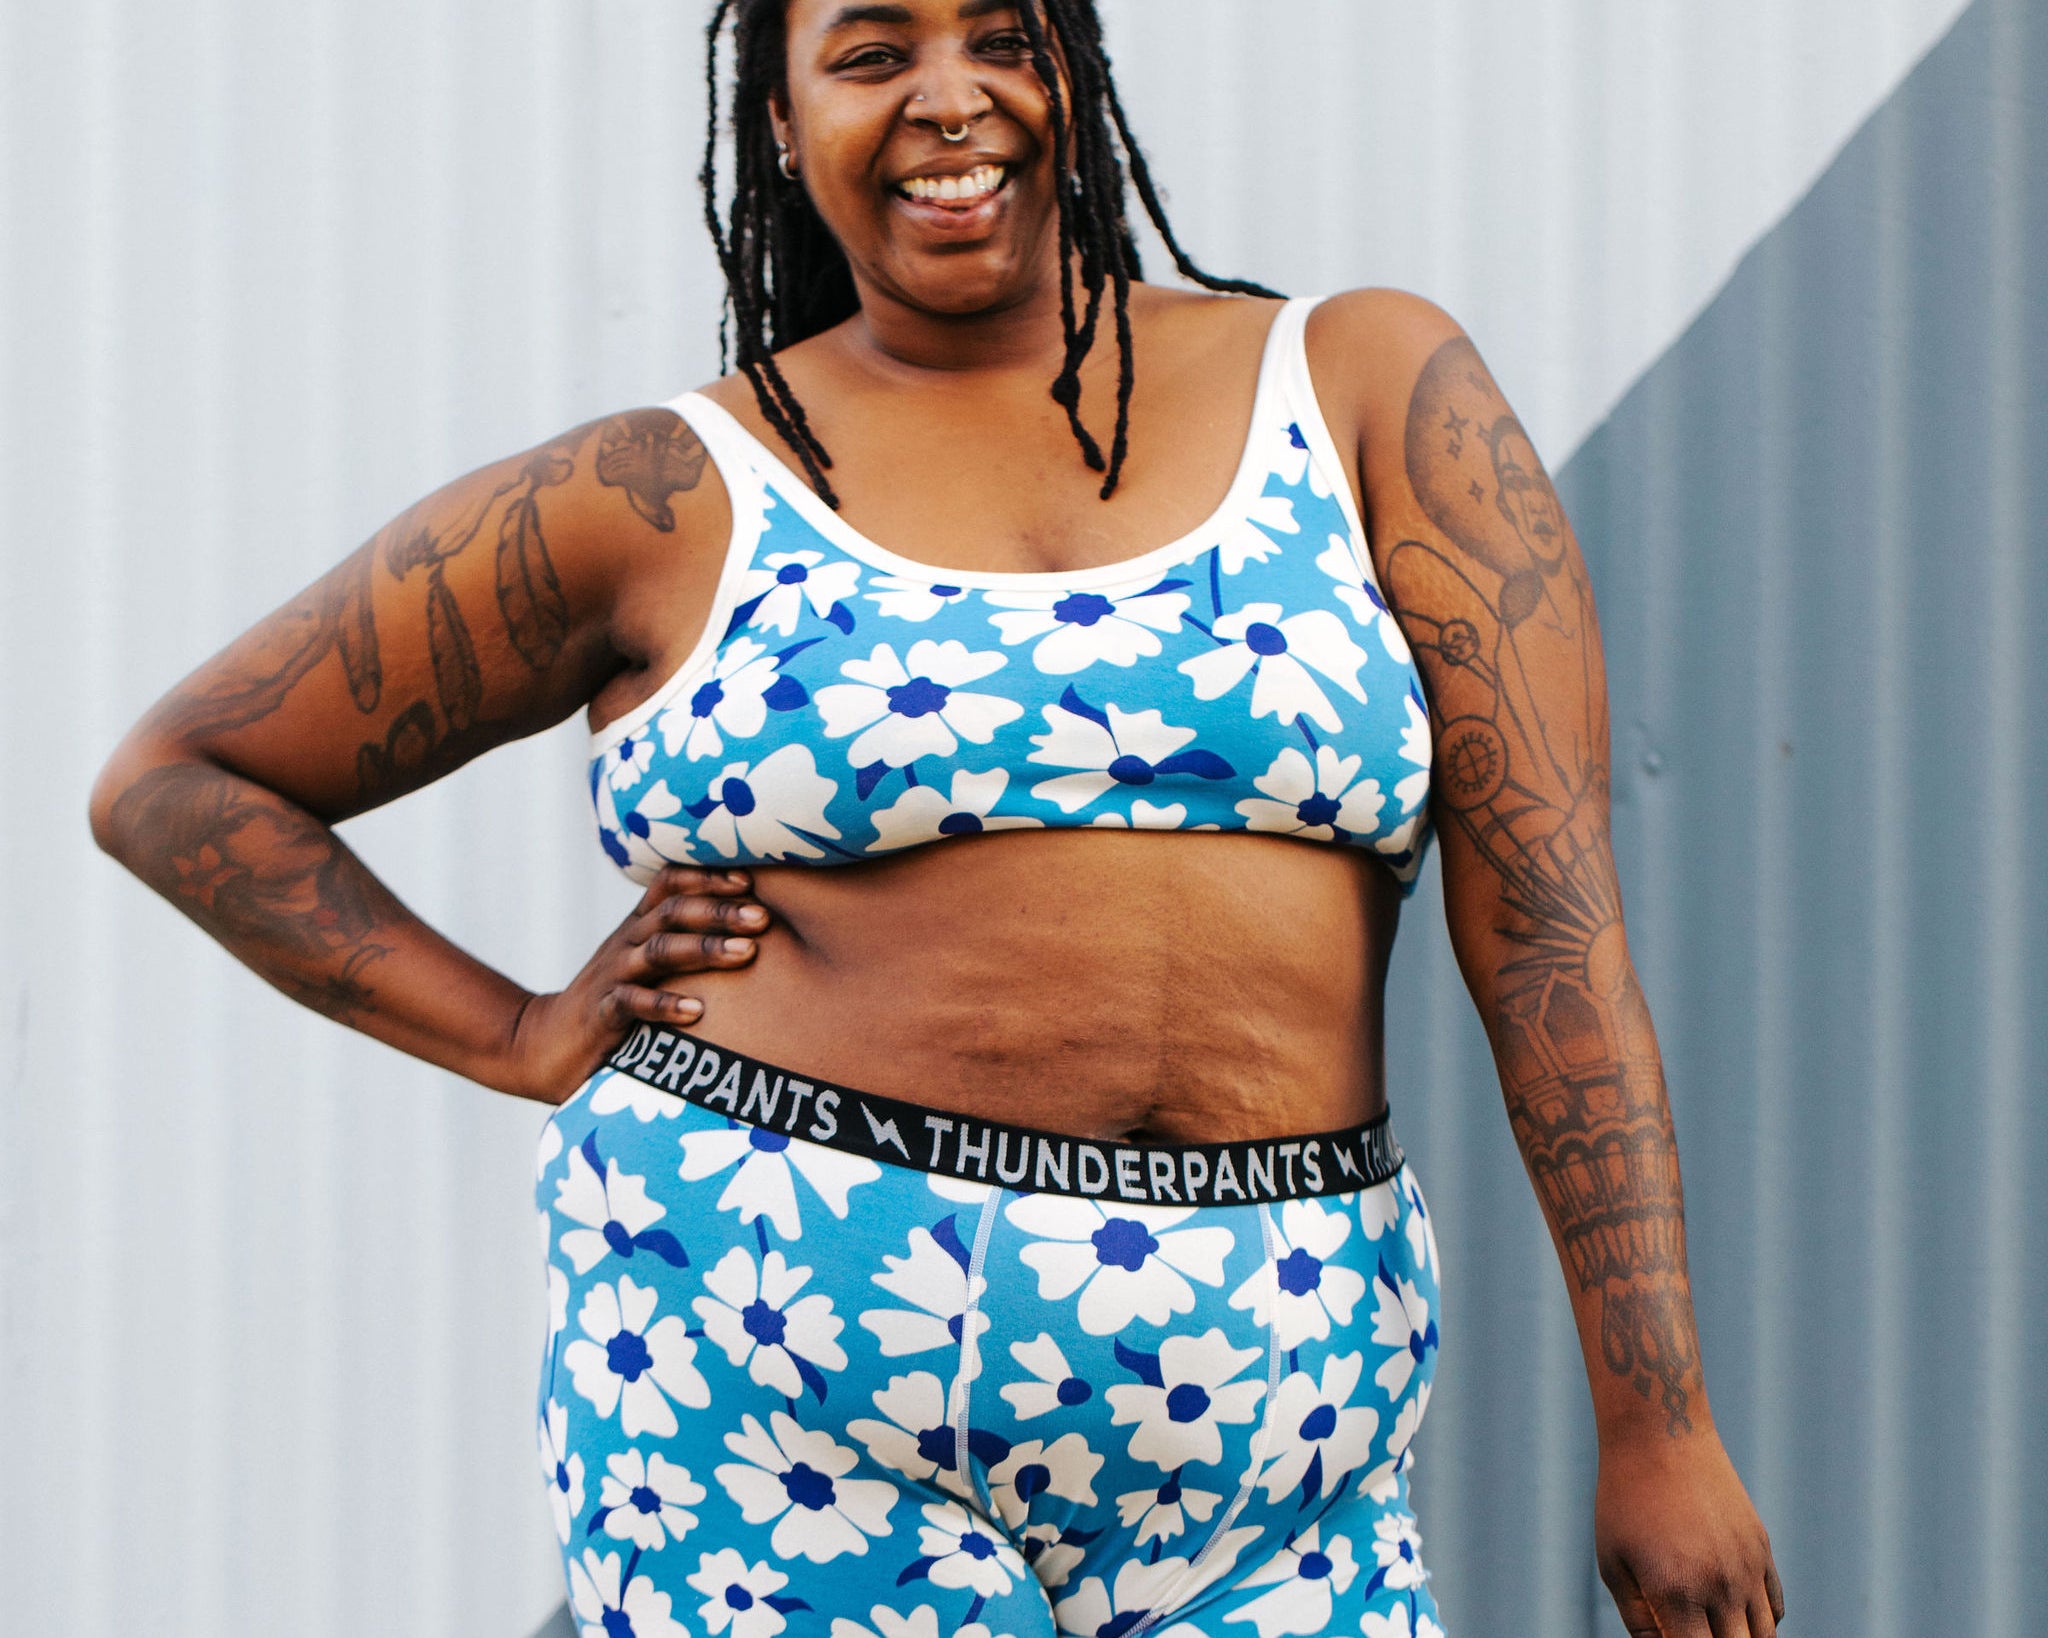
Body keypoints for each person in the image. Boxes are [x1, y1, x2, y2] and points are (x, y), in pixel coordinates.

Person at [89, 1, 1785, 1634]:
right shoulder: (665, 493)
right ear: (782, 118)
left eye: (1000, 33)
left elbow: (1549, 921)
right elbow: (183, 781)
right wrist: (519, 1031)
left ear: (1074, 64)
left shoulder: (1361, 386)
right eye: (871, 51)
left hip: (1281, 1392)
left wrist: (1660, 1417)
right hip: (775, 1376)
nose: (947, 96)